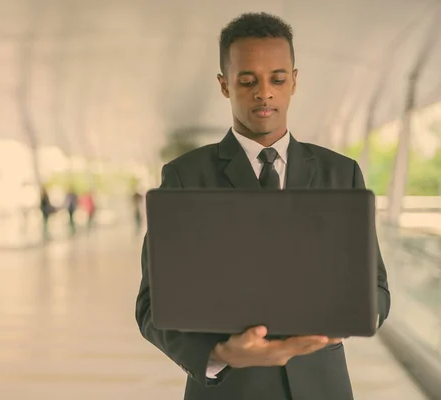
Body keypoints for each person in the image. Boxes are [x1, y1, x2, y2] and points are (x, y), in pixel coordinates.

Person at [135, 12, 391, 400]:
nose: (264, 92)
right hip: (229, 390)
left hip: (323, 388)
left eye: (277, 78)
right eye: (247, 80)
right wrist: (221, 354)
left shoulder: (341, 173)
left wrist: (353, 318)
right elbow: (151, 306)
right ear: (225, 85)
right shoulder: (186, 177)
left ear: (294, 81)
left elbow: (376, 287)